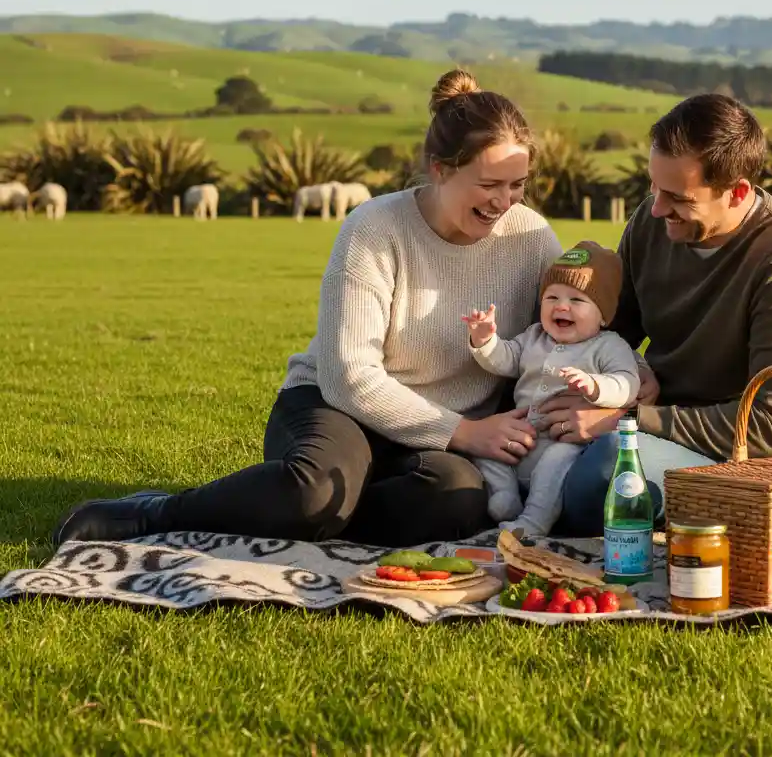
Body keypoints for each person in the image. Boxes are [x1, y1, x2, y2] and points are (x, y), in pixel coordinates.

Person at [52, 70, 565, 549]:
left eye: (517, 185)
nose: (505, 202)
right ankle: (158, 514)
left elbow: (569, 328)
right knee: (316, 490)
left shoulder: (530, 237)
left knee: (456, 499)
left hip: (433, 440)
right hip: (334, 407)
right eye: (489, 184)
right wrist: (466, 432)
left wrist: (625, 382)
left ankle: (319, 517)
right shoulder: (375, 229)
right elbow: (349, 378)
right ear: (440, 168)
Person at [534, 93, 772, 536]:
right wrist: (626, 374)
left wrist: (626, 418)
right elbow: (613, 329)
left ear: (737, 193)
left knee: (607, 469)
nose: (656, 209)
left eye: (676, 197)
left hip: (728, 454)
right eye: (653, 188)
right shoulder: (652, 221)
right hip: (644, 415)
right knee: (537, 442)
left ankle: (568, 546)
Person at [462, 241, 641, 537]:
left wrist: (596, 386)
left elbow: (627, 382)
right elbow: (506, 359)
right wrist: (485, 341)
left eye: (577, 300)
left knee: (555, 465)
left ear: (604, 315)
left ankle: (533, 522)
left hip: (565, 439)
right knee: (486, 448)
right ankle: (505, 496)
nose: (561, 306)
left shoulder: (608, 346)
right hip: (523, 433)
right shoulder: (534, 336)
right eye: (552, 297)